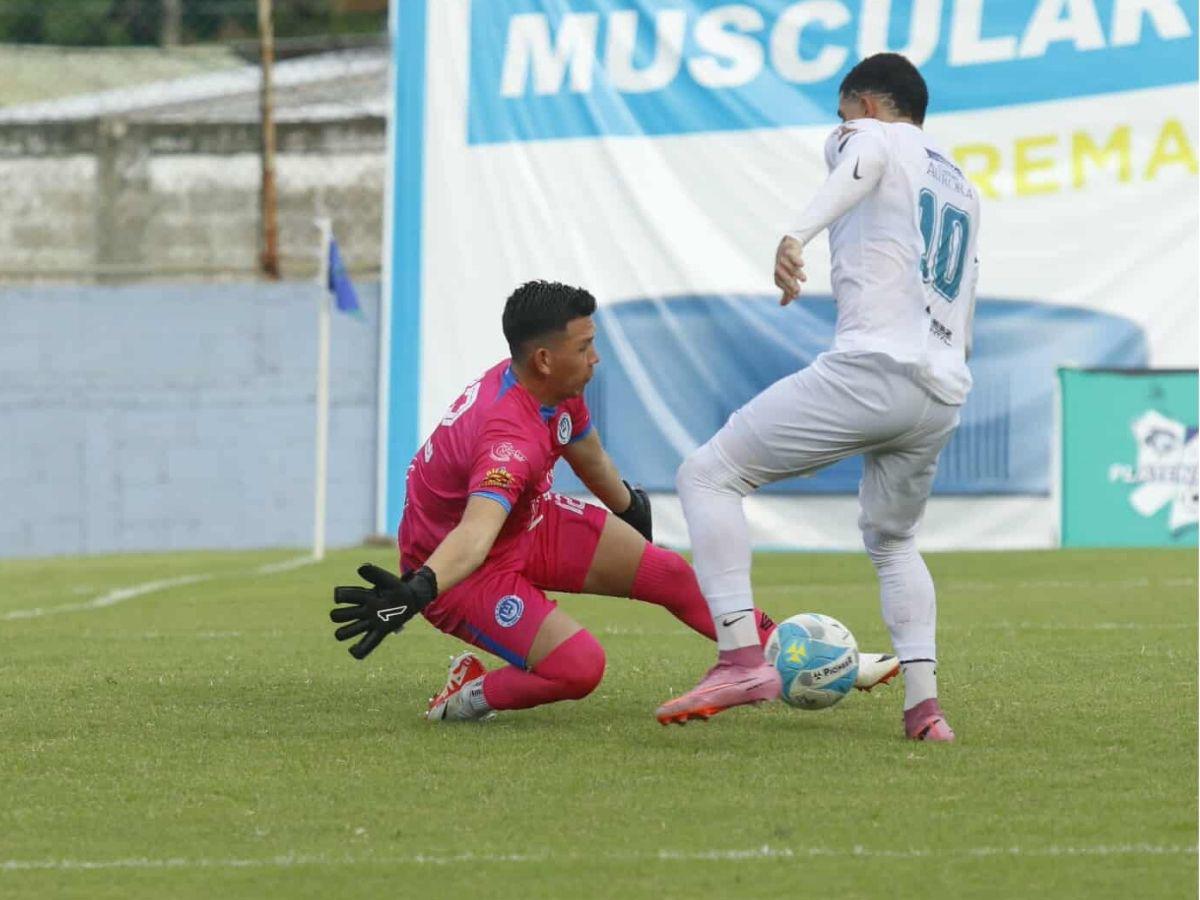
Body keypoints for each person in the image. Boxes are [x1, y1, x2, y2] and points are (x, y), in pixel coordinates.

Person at [330, 280, 901, 721]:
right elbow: (475, 534)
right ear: (544, 359)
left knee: (671, 575)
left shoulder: (552, 388)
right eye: (585, 347)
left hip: (527, 523)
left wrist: (628, 506)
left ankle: (811, 662)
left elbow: (591, 459)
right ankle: (467, 695)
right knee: (579, 669)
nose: (596, 357)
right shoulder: (508, 436)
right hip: (459, 569)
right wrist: (418, 589)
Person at [656, 53, 980, 742]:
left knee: (707, 476)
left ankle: (741, 659)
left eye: (842, 113)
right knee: (894, 541)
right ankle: (925, 710)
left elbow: (863, 158)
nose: (838, 128)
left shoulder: (870, 134)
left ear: (867, 103)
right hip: (940, 392)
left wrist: (794, 234)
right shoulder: (960, 183)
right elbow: (964, 302)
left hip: (873, 370)